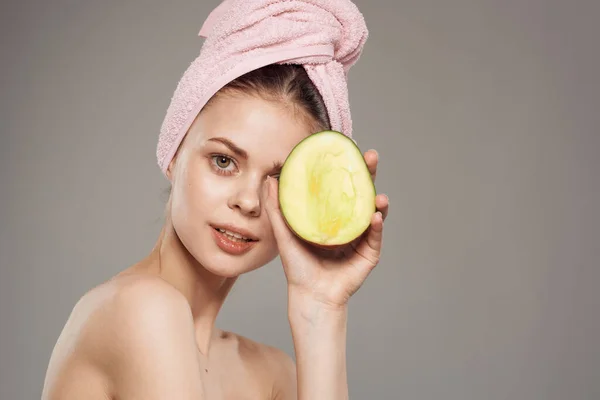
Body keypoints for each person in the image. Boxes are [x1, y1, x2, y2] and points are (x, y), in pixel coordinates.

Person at [41, 1, 389, 399]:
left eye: (278, 177)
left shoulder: (271, 372)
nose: (248, 202)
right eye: (223, 161)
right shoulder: (142, 309)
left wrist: (322, 308)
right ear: (173, 153)